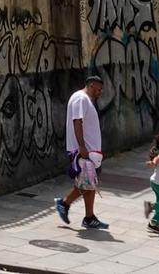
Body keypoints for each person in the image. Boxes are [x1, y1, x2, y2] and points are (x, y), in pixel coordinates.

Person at [55, 74, 109, 230]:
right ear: (91, 85)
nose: (100, 92)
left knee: (90, 183)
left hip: (90, 152)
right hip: (84, 152)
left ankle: (89, 217)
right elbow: (77, 122)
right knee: (86, 183)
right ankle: (64, 204)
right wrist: (82, 147)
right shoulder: (81, 99)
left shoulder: (85, 100)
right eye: (99, 89)